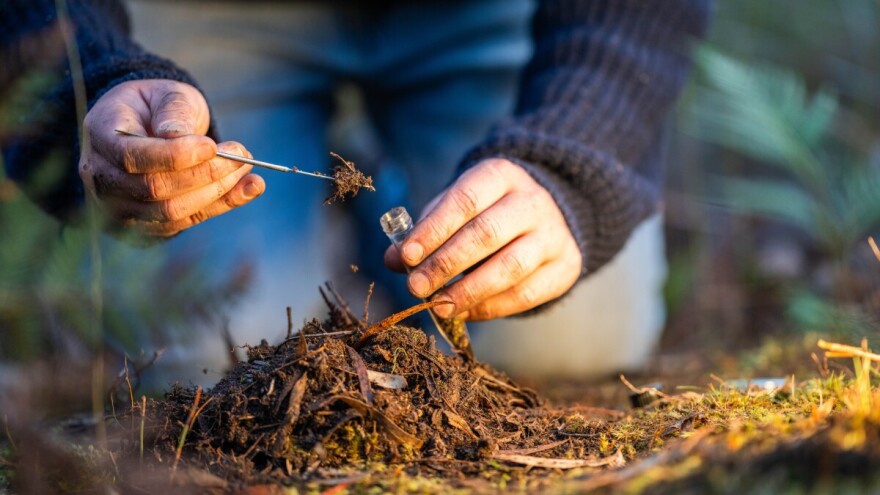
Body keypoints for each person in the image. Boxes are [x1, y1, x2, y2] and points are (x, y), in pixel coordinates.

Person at [2, 0, 710, 383]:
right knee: (206, 357)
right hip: (205, 17)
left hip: (488, 12)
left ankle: (385, 207)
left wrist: (576, 155)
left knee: (564, 341)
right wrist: (93, 80)